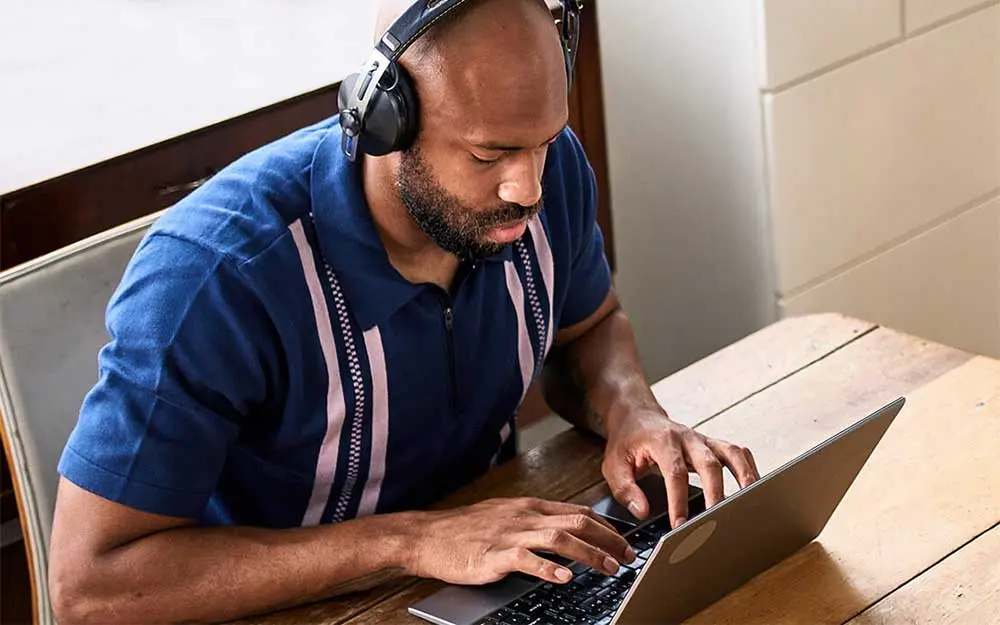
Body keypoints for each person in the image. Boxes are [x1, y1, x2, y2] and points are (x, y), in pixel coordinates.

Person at [48, 0, 760, 622]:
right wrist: (416, 540)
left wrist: (630, 409)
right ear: (384, 121)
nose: (529, 187)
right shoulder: (217, 274)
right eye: (491, 154)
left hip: (478, 584)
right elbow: (89, 585)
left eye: (544, 142)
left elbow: (590, 328)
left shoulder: (551, 175)